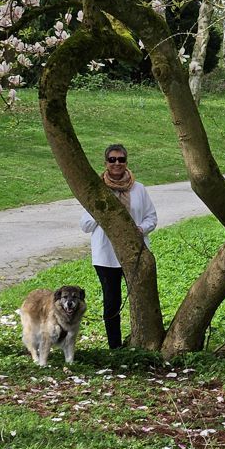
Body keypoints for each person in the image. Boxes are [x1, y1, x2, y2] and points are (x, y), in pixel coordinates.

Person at [79, 143, 158, 349]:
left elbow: (152, 217)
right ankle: (114, 346)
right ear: (106, 163)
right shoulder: (97, 190)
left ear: (126, 162)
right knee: (112, 302)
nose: (117, 163)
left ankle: (141, 341)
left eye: (121, 159)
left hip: (135, 253)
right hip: (106, 256)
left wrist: (141, 229)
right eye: (112, 160)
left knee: (139, 300)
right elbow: (85, 225)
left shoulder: (138, 188)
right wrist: (102, 212)